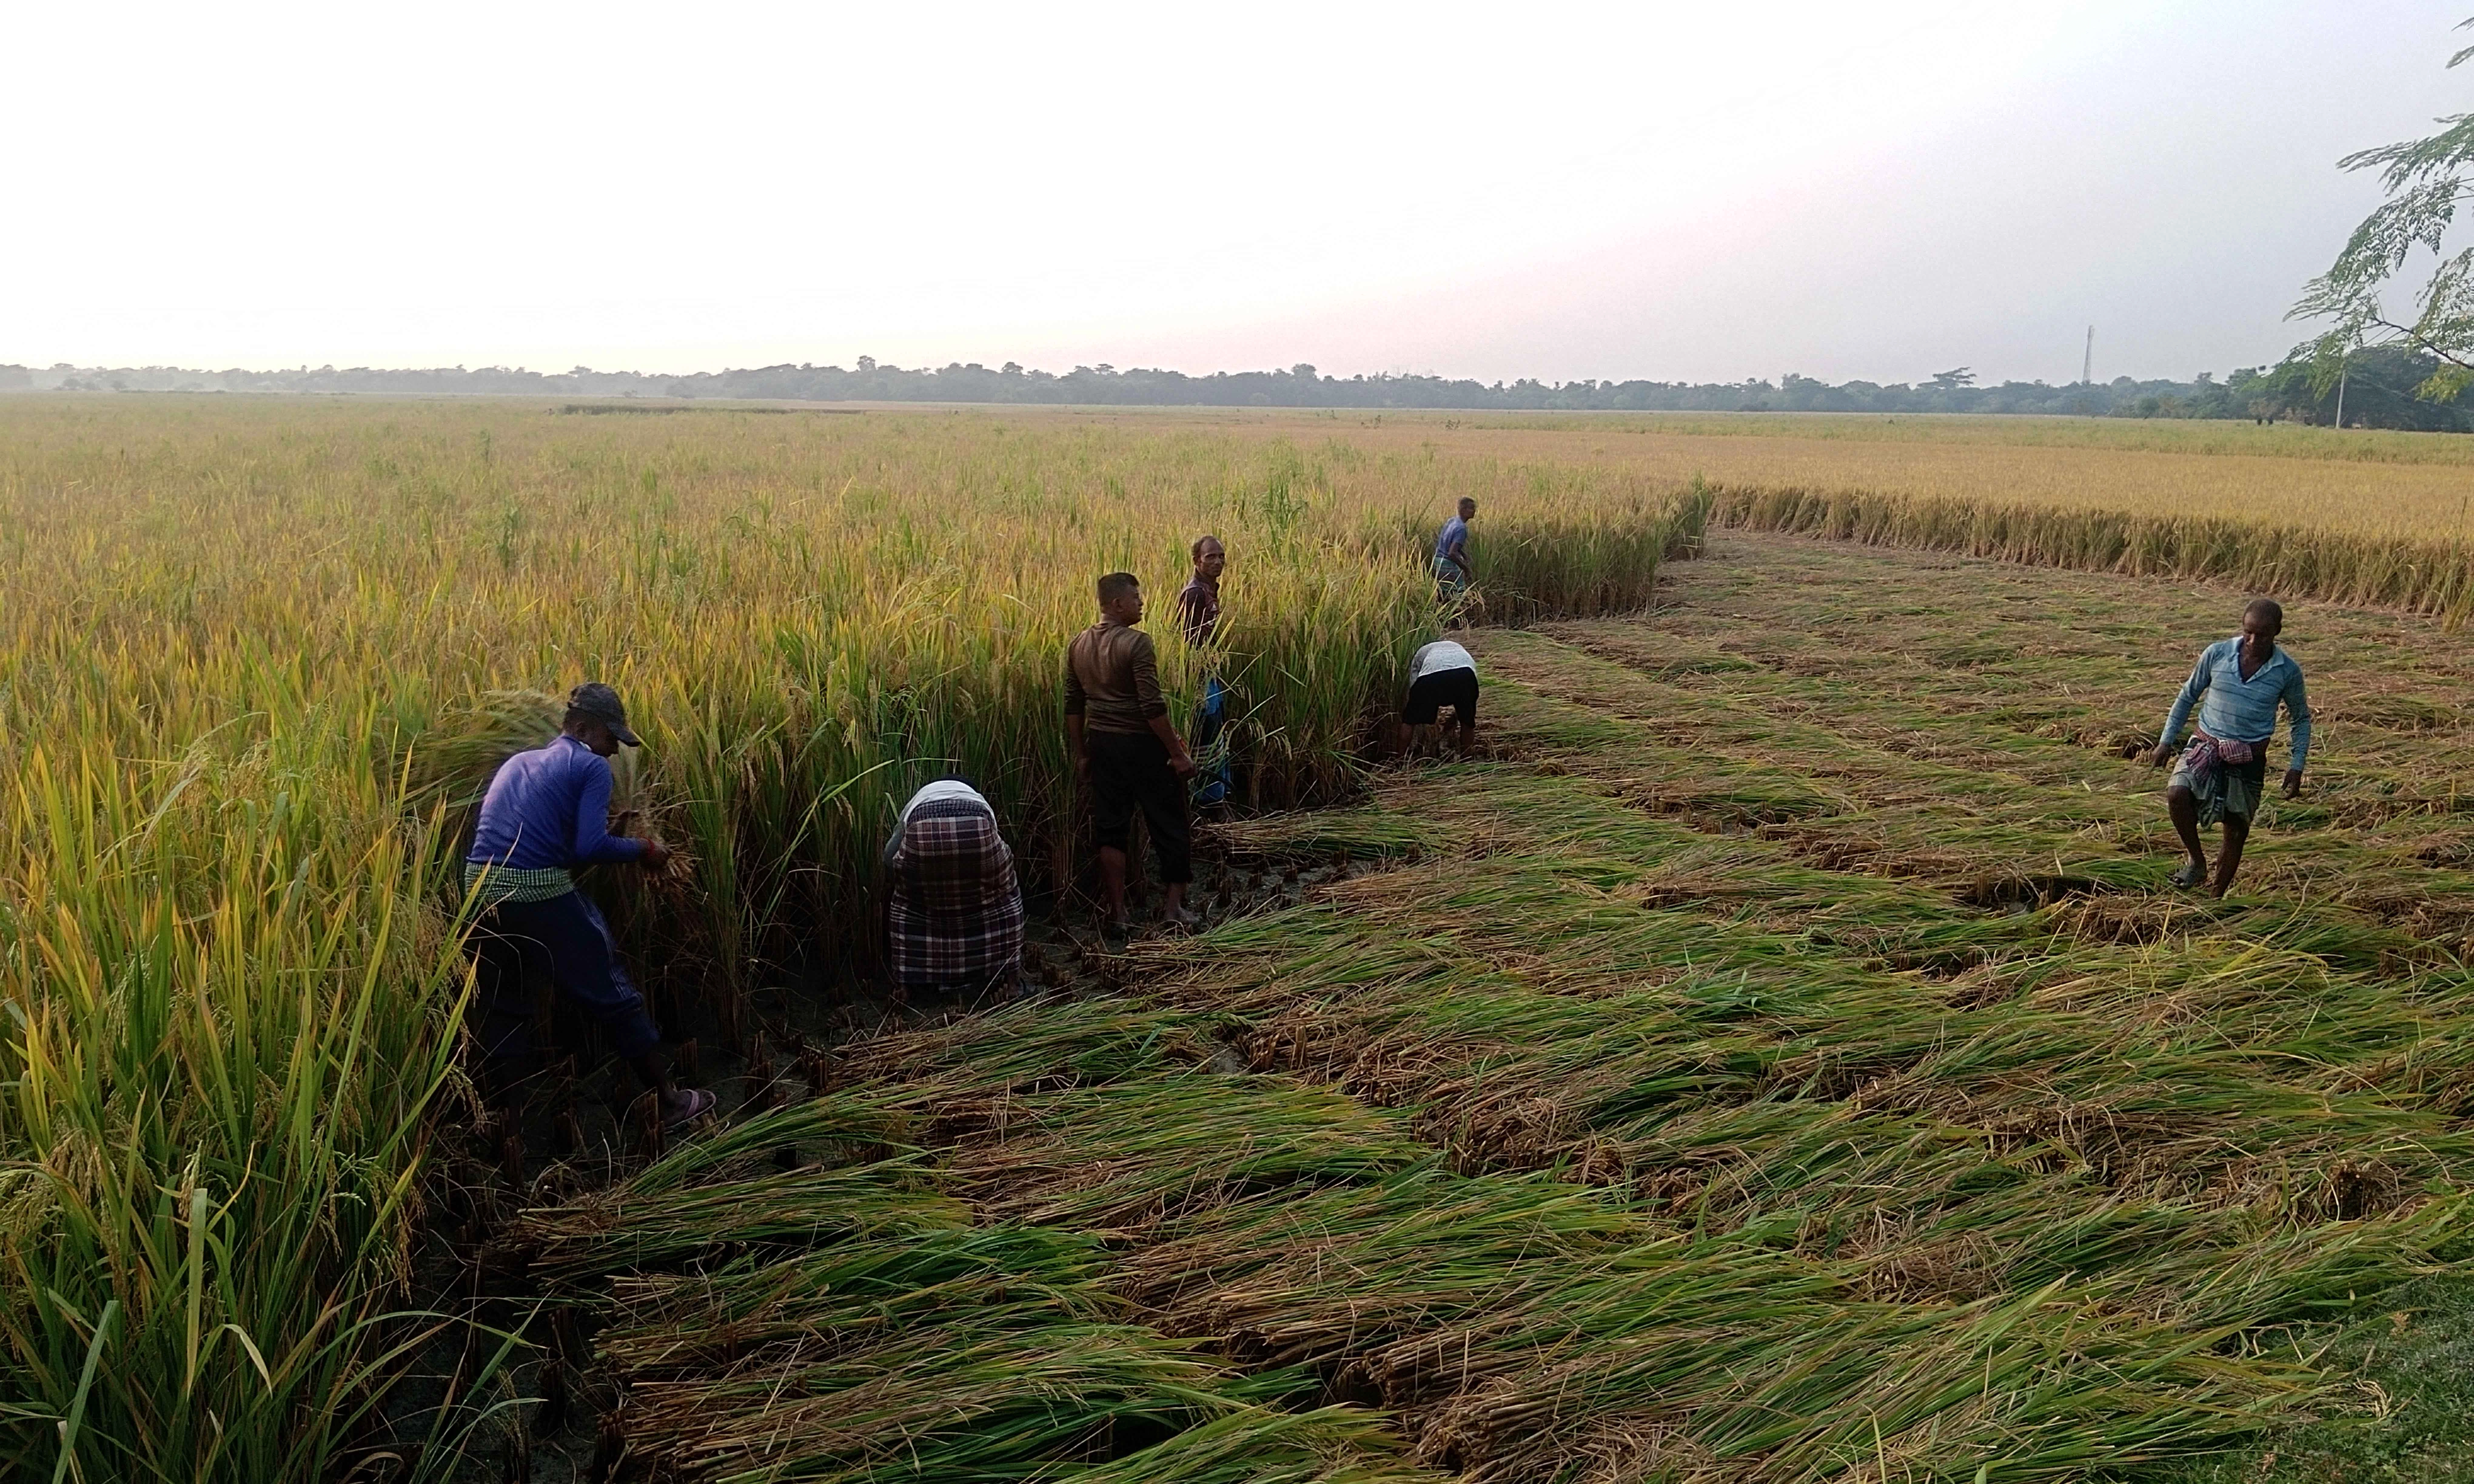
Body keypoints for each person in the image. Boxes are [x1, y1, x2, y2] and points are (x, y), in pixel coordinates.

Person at [464, 682, 714, 1126]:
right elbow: (587, 848)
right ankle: (670, 1103)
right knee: (613, 991)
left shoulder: (519, 763)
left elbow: (544, 843)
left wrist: (611, 833)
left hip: (480, 892)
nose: (615, 750)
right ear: (582, 729)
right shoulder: (590, 765)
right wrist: (644, 849)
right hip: (535, 891)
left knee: (506, 1003)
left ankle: (508, 1119)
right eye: (611, 738)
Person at [2147, 598, 2311, 897]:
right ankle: (2197, 862)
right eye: (2249, 632)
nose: (2253, 641)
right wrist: (2166, 741)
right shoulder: (2217, 654)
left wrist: (2296, 766)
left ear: (2278, 631)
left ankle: (2216, 899)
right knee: (2177, 794)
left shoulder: (2287, 671)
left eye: (2263, 635)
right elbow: (2188, 696)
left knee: (2236, 830)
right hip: (2205, 745)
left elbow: (2300, 720)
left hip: (2249, 757)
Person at [1066, 572, 1199, 937]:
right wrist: (1177, 753)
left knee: (1111, 828)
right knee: (1170, 823)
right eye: (1136, 598)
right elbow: (1152, 707)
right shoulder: (1137, 643)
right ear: (1117, 604)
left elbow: (1073, 705)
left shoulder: (1078, 644)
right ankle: (1173, 910)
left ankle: (1118, 914)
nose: (1142, 603)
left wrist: (1082, 754)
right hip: (1142, 744)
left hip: (1102, 744)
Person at [882, 777, 1024, 998]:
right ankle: (1013, 982)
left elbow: (888, 857)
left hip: (923, 833)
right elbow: (994, 844)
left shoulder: (917, 801)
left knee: (904, 901)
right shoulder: (977, 799)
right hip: (976, 828)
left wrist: (904, 886)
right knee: (1007, 892)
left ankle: (904, 987)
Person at [1178, 535, 1233, 807]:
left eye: (1221, 556)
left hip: (1210, 674)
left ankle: (1218, 796)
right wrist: (1200, 679)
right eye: (1211, 556)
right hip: (1200, 678)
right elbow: (1187, 642)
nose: (1218, 561)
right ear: (1196, 561)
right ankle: (1208, 802)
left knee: (1216, 737)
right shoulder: (1195, 594)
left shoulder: (1209, 590)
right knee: (1207, 738)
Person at [1401, 637, 1479, 756]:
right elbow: (1473, 687)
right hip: (1465, 675)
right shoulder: (1459, 648)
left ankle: (1399, 759)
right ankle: (1466, 759)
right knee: (1467, 722)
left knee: (1409, 721)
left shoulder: (1422, 651)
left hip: (1431, 678)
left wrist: (1416, 705)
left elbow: (1414, 681)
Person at [1434, 497, 1477, 603]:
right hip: (1447, 565)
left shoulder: (1452, 521)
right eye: (1472, 508)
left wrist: (1464, 555)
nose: (1474, 511)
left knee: (1444, 596)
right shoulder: (1462, 529)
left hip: (1438, 561)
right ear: (1463, 510)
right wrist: (1466, 569)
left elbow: (1449, 544)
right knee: (1458, 598)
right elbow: (1452, 553)